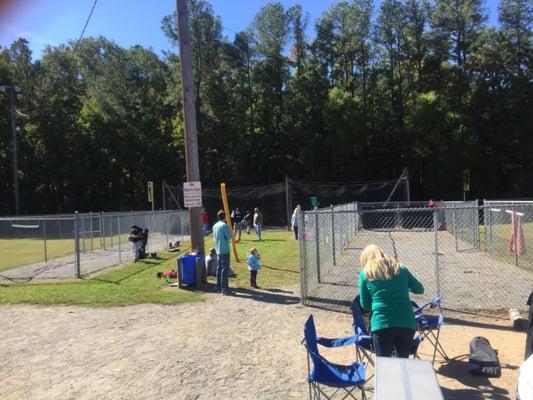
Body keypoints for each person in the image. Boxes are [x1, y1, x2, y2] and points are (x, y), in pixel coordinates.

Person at [358, 244, 424, 358]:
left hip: (381, 324)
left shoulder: (365, 273)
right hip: (406, 323)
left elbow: (365, 305)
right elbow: (419, 289)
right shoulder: (401, 268)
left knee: (384, 364)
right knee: (402, 362)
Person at [213, 210, 232, 295]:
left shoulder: (215, 225)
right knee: (225, 269)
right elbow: (229, 237)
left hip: (218, 249)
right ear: (224, 217)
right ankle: (224, 289)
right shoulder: (224, 225)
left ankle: (218, 287)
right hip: (225, 249)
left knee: (219, 268)